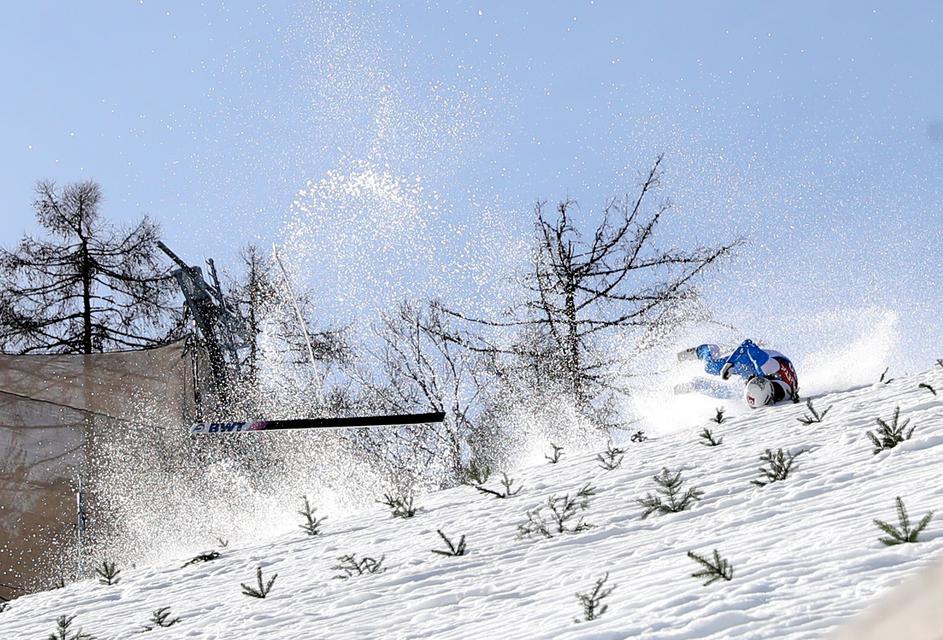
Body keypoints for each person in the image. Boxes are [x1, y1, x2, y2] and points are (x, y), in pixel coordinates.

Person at [695, 339, 799, 408]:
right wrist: (730, 363)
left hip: (768, 376)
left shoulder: (785, 395)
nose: (746, 382)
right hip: (755, 361)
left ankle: (696, 384)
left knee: (732, 393)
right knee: (711, 368)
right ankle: (707, 349)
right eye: (749, 381)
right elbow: (748, 343)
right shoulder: (768, 367)